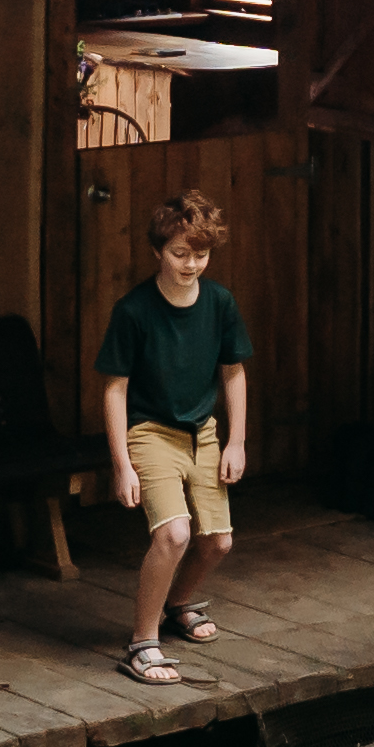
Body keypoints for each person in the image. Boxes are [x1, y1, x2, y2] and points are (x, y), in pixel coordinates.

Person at [98, 190, 249, 686]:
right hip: (150, 431)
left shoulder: (220, 302)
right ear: (158, 251)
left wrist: (236, 441)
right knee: (174, 533)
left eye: (200, 255)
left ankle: (177, 604)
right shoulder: (134, 310)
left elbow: (233, 373)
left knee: (218, 542)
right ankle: (142, 643)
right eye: (179, 253)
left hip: (203, 431)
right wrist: (121, 462)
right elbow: (115, 389)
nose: (190, 265)